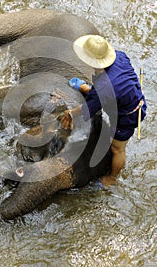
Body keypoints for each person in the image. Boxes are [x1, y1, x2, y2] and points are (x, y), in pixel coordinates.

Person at [61, 35, 146, 187]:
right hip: (124, 94)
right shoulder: (120, 56)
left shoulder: (105, 87)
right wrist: (96, 91)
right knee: (100, 92)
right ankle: (89, 90)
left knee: (117, 148)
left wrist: (71, 113)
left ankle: (112, 178)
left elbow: (88, 111)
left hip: (128, 114)